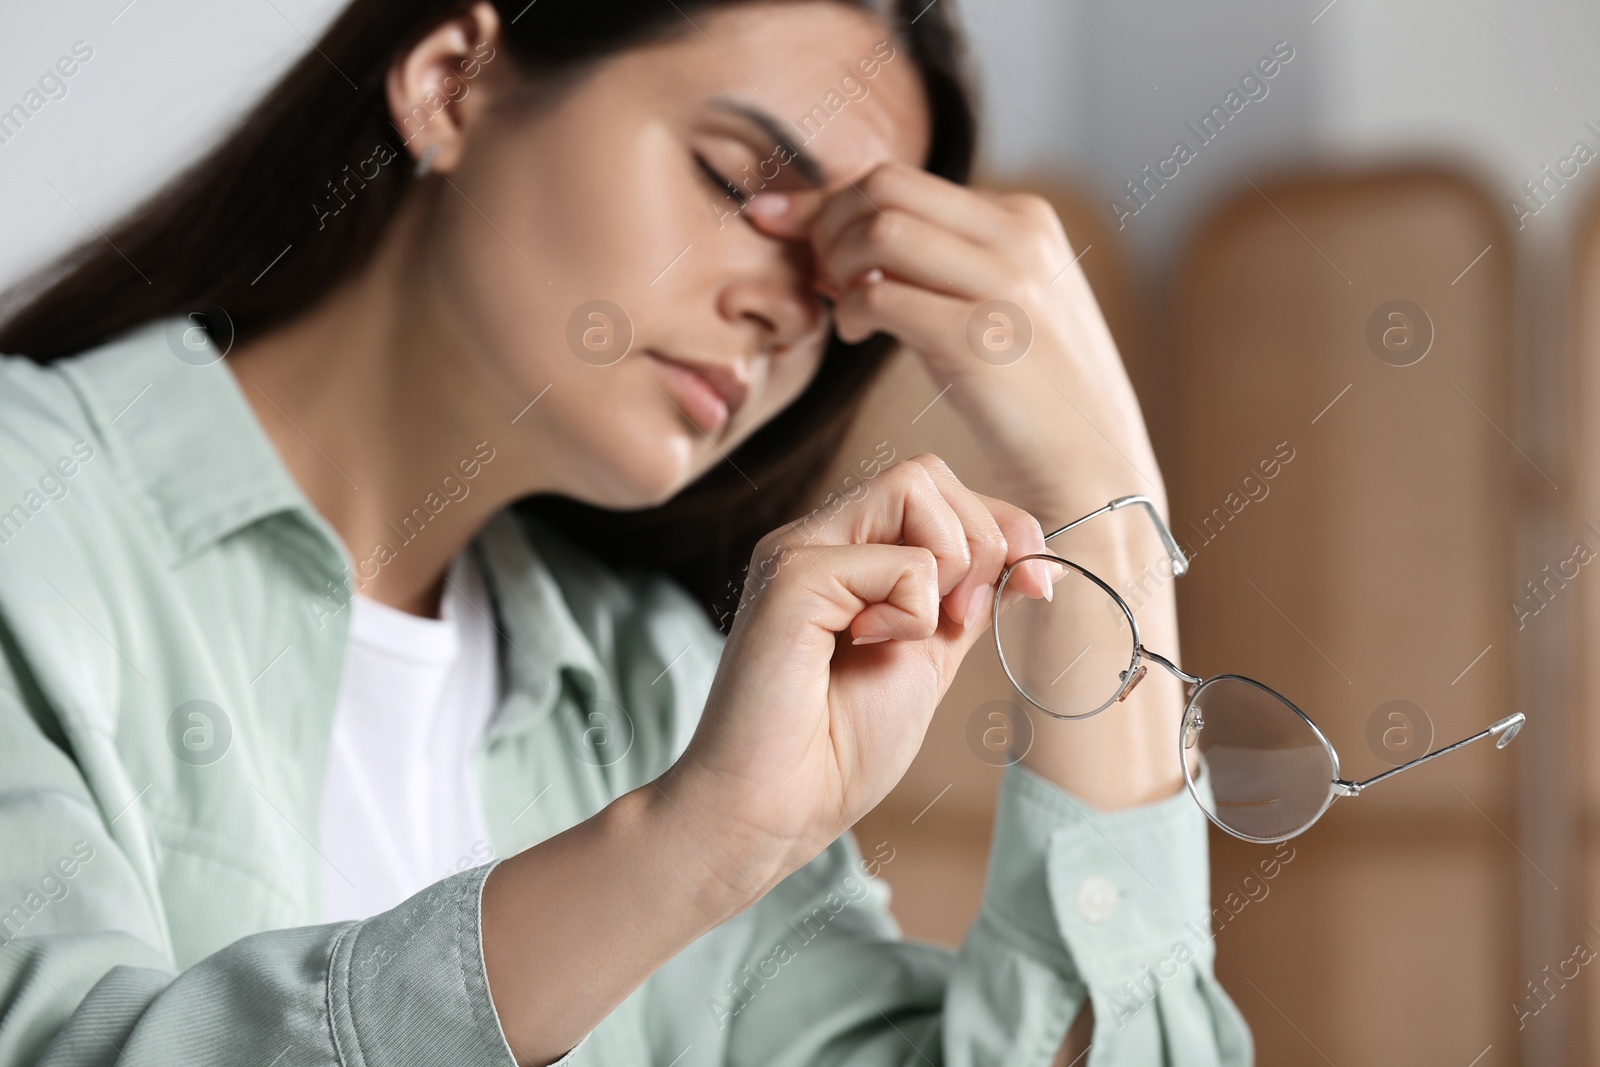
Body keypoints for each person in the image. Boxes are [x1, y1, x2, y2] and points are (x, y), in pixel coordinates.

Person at [0, 1, 1251, 1064]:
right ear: (453, 84)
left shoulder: (658, 687)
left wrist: (1104, 499)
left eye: (828, 282)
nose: (780, 313)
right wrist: (681, 845)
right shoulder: (35, 519)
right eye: (738, 180)